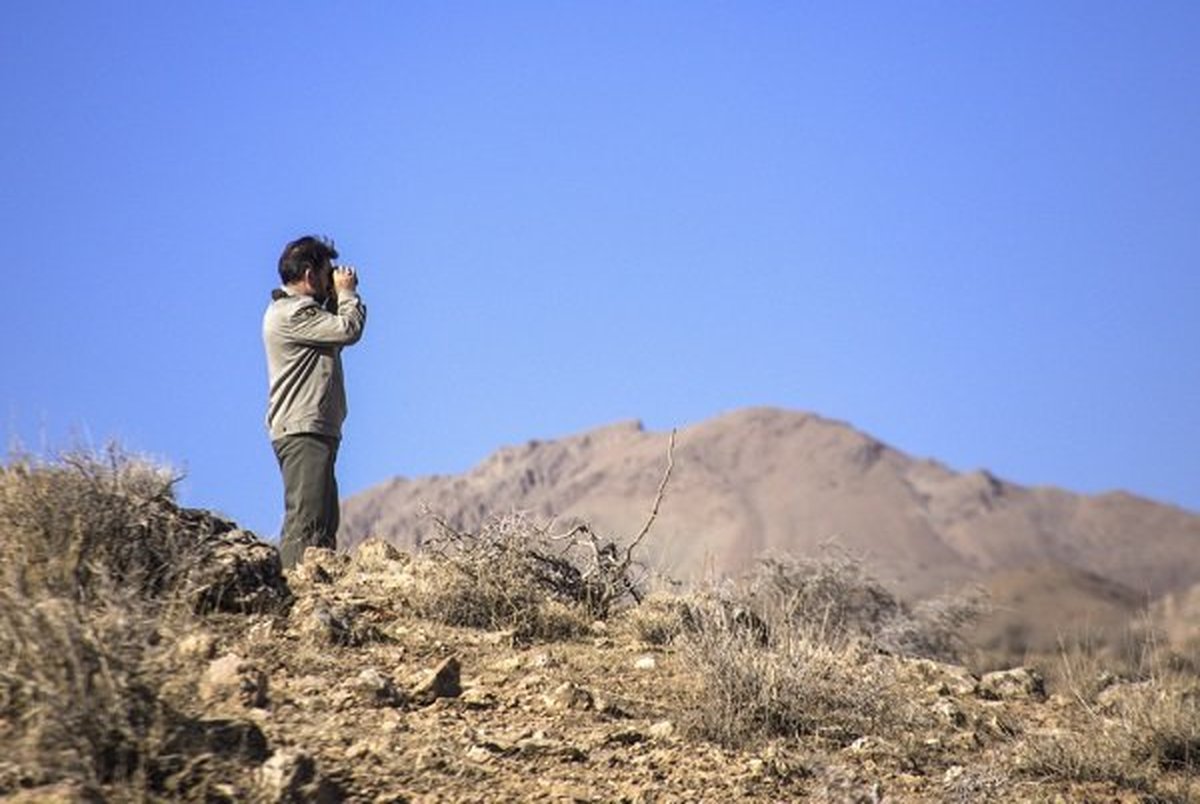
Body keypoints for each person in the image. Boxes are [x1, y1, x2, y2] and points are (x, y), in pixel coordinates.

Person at [263, 235, 367, 568]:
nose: (330, 281)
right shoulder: (292, 313)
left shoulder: (301, 314)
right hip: (302, 430)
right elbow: (347, 330)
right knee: (306, 521)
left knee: (323, 520)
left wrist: (334, 296)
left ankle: (316, 585)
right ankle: (292, 588)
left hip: (312, 428)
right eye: (325, 274)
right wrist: (347, 293)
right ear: (309, 275)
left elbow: (332, 330)